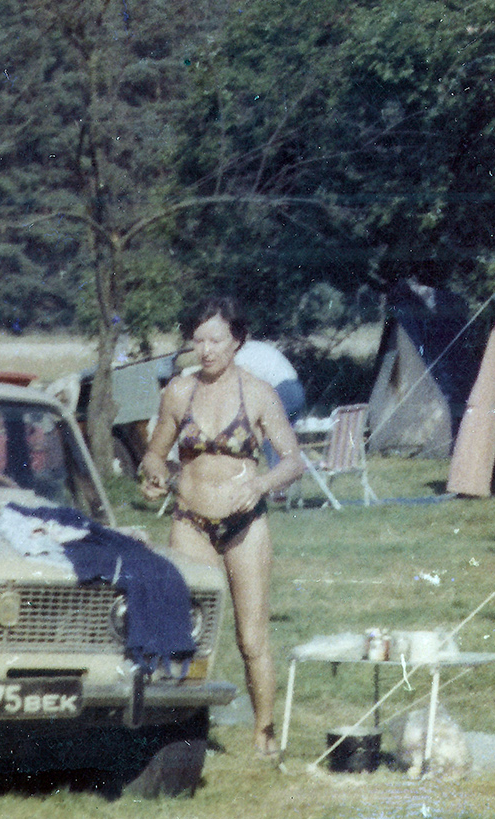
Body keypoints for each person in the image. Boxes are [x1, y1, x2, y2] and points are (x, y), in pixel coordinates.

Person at [140, 297, 303, 758]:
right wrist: (155, 474)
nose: (206, 350)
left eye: (216, 340)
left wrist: (263, 483)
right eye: (199, 340)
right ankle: (181, 735)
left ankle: (264, 734)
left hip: (245, 525)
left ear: (236, 341)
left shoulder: (258, 393)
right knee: (186, 636)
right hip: (190, 522)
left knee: (251, 638)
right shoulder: (178, 391)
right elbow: (155, 452)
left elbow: (292, 460)